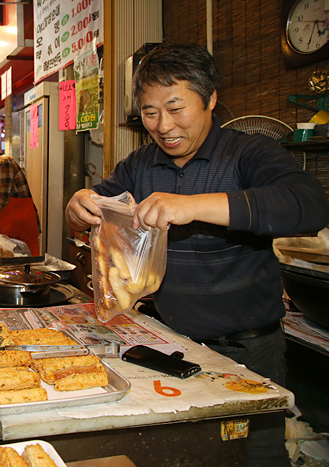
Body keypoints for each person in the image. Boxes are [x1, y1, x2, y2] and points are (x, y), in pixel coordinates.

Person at [65, 42, 329, 467]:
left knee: (255, 457)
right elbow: (91, 211)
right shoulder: (140, 164)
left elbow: (307, 204)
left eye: (176, 108)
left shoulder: (247, 153)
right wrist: (78, 207)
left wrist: (194, 205)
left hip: (248, 352)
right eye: (150, 112)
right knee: (182, 455)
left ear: (210, 100)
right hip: (170, 345)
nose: (163, 125)